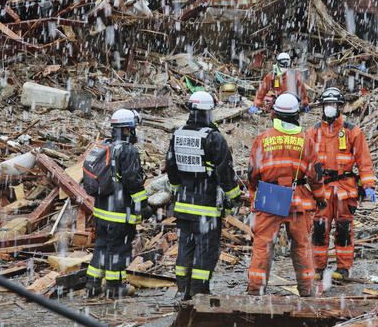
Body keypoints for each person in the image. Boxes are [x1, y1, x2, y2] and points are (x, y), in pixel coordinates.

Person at [247, 92, 324, 297]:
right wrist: (320, 198)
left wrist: (254, 192)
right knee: (301, 246)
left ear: (275, 115)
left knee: (263, 244)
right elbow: (315, 175)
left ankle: (256, 290)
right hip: (297, 196)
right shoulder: (305, 140)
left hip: (270, 194)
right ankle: (307, 290)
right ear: (296, 115)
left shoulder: (263, 138)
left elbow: (252, 172)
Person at [166, 91, 242, 299]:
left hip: (183, 205)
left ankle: (183, 290)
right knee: (206, 250)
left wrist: (177, 189)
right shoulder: (213, 137)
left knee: (185, 248)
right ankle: (199, 291)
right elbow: (224, 170)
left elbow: (170, 167)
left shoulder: (178, 133)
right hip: (206, 207)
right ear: (208, 111)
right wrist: (233, 195)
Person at [307, 87, 376, 280]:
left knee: (344, 229)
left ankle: (343, 268)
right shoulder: (312, 132)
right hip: (321, 189)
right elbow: (303, 161)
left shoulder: (352, 131)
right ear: (322, 107)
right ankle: (318, 267)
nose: (330, 108)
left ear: (340, 106)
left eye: (333, 104)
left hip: (345, 188)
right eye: (326, 104)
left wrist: (368, 185)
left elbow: (364, 160)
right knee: (320, 229)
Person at [85, 109, 152, 298]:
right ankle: (114, 288)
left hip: (101, 211)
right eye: (133, 129)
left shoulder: (105, 146)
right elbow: (133, 181)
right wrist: (143, 204)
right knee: (118, 250)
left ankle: (92, 285)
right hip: (120, 213)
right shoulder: (127, 150)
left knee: (101, 247)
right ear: (126, 130)